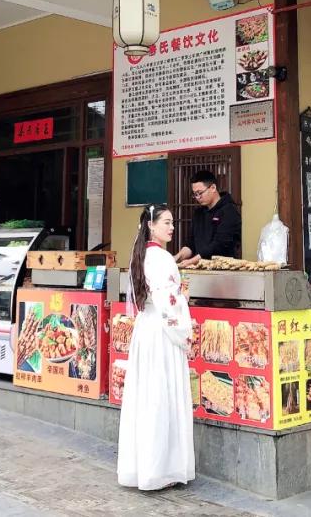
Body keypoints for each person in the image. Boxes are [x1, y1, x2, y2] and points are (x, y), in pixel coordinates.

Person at [118, 204, 195, 491]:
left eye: (172, 222)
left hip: (146, 329)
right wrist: (185, 331)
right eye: (166, 222)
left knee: (147, 398)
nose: (172, 227)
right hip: (163, 333)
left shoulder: (140, 255)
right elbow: (169, 304)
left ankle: (143, 468)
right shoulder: (162, 258)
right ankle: (163, 469)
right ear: (151, 225)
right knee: (163, 396)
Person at [173, 170, 241, 266]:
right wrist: (176, 257)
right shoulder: (198, 213)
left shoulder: (229, 211)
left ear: (213, 188)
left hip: (223, 268)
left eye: (200, 193)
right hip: (201, 267)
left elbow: (220, 244)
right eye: (195, 194)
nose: (198, 197)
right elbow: (191, 244)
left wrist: (192, 261)